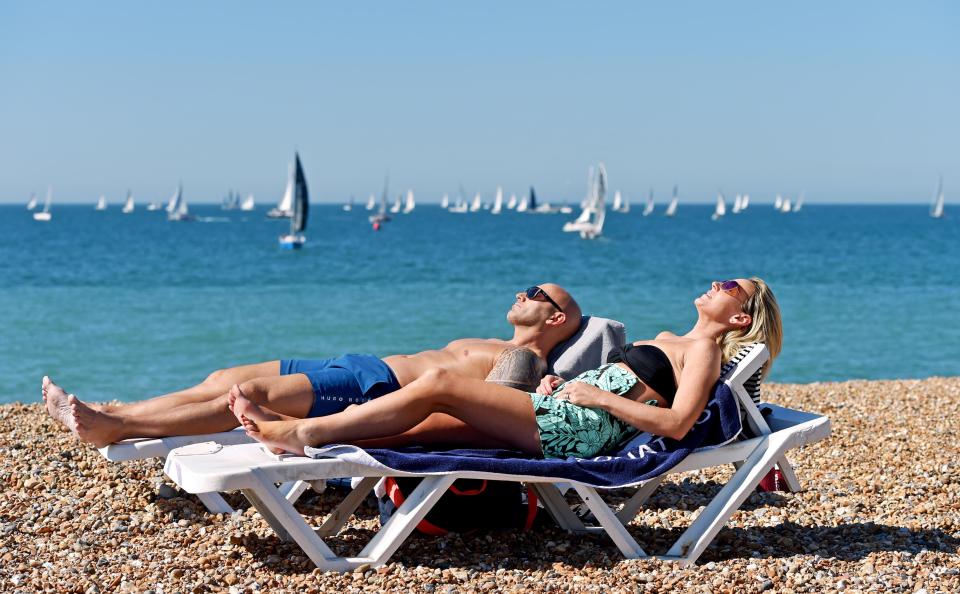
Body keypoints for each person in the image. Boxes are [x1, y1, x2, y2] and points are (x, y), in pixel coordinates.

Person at [231, 278, 782, 458]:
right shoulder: (675, 340)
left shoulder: (704, 352)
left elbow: (678, 423)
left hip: (579, 428)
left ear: (738, 317)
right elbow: (637, 387)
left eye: (729, 287)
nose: (716, 284)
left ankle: (302, 433)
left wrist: (597, 399)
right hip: (562, 407)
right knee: (427, 432)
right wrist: (567, 384)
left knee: (442, 384)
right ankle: (322, 445)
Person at [43, 284, 582, 448]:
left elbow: (475, 423)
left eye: (534, 293)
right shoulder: (494, 341)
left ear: (556, 317)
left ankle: (117, 427)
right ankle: (114, 408)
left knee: (249, 395)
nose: (520, 291)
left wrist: (379, 436)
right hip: (362, 364)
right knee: (224, 378)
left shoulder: (525, 363)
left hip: (375, 386)